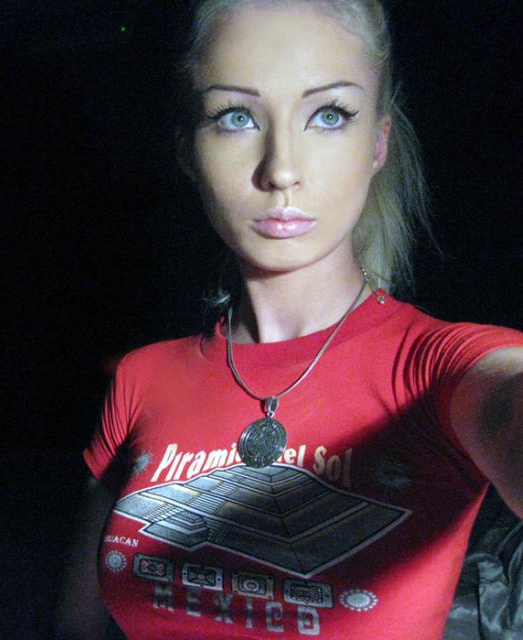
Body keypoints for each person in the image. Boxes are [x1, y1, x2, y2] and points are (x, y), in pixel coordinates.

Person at [55, 1, 523, 638]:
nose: (281, 170)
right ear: (188, 148)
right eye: (236, 116)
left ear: (378, 142)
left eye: (329, 114)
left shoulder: (439, 368)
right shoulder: (142, 378)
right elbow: (75, 625)